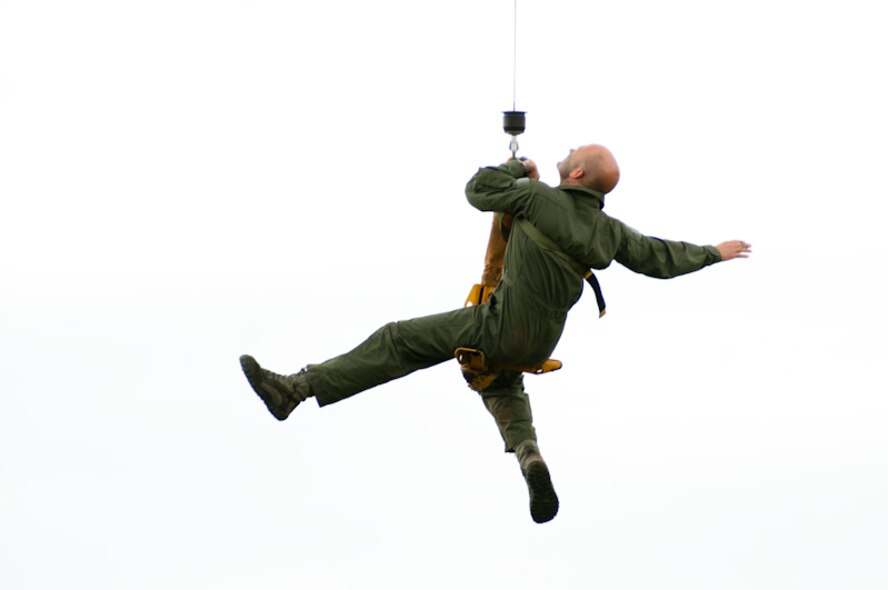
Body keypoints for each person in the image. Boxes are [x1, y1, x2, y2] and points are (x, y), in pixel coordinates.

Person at [239, 144, 751, 524]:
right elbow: (661, 257)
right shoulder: (609, 231)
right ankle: (530, 456)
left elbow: (476, 190)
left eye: (573, 151)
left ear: (575, 172)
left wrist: (515, 171)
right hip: (538, 344)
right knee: (499, 379)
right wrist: (713, 252)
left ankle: (296, 389)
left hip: (501, 325)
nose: (568, 149)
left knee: (398, 340)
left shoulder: (536, 198)